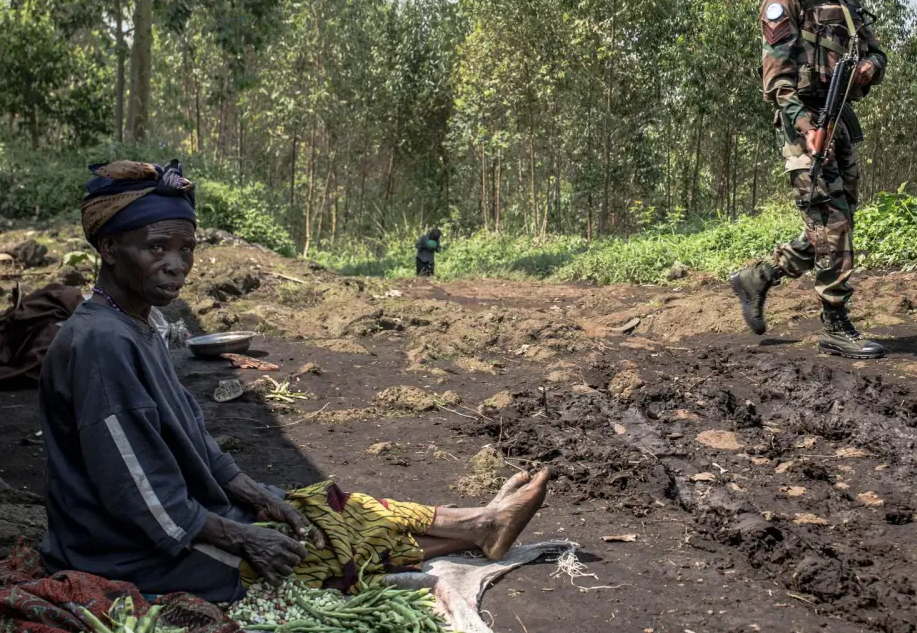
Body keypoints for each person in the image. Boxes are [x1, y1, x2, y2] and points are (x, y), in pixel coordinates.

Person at [38, 160, 549, 602]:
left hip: (180, 512)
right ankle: (480, 529)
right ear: (109, 248)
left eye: (186, 249)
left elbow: (190, 433)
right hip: (131, 551)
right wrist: (240, 536)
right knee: (312, 554)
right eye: (157, 248)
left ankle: (476, 522)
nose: (177, 266)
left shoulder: (136, 324)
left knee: (326, 507)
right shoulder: (101, 344)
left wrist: (254, 495)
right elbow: (135, 491)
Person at [730, 0, 886, 359]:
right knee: (831, 221)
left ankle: (759, 277)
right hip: (804, 123)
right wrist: (805, 127)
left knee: (838, 221)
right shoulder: (784, 0)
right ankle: (835, 325)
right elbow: (777, 82)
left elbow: (877, 52)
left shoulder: (847, 1)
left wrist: (870, 67)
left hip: (841, 120)